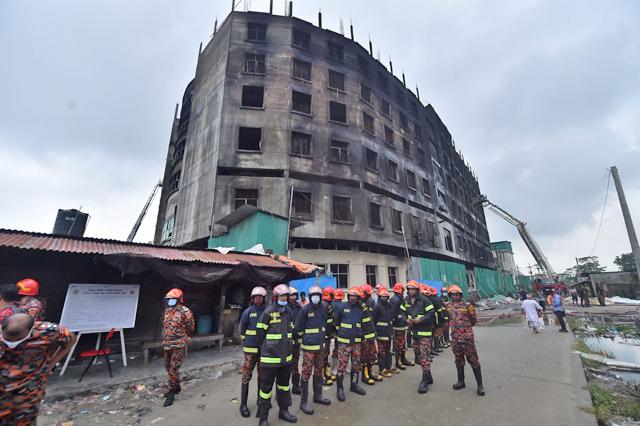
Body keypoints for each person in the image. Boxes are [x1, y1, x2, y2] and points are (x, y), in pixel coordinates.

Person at [0, 313, 77, 424]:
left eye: (17, 339)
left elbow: (71, 339)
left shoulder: (48, 331)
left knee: (25, 421)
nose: (11, 343)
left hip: (28, 392)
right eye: (7, 338)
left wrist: (51, 364)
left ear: (30, 331)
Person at [255, 284, 297, 426]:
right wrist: (268, 348)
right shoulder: (268, 312)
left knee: (284, 386)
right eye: (281, 296)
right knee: (266, 389)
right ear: (275, 297)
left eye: (286, 296)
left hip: (286, 358)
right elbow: (260, 333)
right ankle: (263, 418)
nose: (284, 298)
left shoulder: (290, 312)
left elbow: (291, 332)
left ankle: (284, 411)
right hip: (270, 358)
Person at [295, 286, 331, 415]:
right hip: (309, 348)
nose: (315, 297)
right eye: (313, 295)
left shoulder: (324, 308)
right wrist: (304, 339)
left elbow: (326, 323)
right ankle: (303, 402)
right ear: (310, 297)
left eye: (317, 295)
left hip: (320, 347)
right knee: (306, 373)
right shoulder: (304, 310)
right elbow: (298, 327)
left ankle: (318, 396)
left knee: (318, 372)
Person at [446, 285, 485, 396]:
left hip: (467, 338)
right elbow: (448, 319)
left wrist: (465, 329)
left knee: (473, 360)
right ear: (450, 295)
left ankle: (480, 386)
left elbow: (473, 320)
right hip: (455, 338)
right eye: (453, 294)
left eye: (457, 294)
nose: (455, 296)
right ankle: (461, 382)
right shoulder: (447, 306)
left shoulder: (468, 306)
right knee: (458, 360)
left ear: (461, 295)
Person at [162, 288, 195, 407]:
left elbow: (191, 327)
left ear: (179, 299)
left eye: (173, 299)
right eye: (169, 299)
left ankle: (171, 392)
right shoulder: (167, 311)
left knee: (173, 368)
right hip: (167, 344)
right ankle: (176, 387)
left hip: (178, 344)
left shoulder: (185, 311)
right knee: (168, 367)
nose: (170, 301)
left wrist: (183, 337)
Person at [238, 286, 268, 418]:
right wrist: (247, 342)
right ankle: (243, 405)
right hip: (250, 351)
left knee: (262, 377)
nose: (258, 299)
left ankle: (260, 400)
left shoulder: (268, 312)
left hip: (264, 350)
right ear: (252, 298)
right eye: (256, 297)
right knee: (246, 377)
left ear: (264, 298)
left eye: (261, 297)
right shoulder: (247, 312)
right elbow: (242, 330)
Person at [333, 287, 366, 401]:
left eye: (355, 296)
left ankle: (354, 385)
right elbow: (336, 322)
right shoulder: (342, 307)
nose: (352, 298)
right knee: (342, 366)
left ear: (358, 298)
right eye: (351, 296)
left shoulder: (360, 309)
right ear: (348, 297)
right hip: (344, 343)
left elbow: (363, 322)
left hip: (356, 342)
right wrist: (341, 334)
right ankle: (340, 389)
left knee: (356, 365)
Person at [404, 280, 435, 394]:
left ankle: (424, 381)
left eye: (413, 289)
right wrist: (405, 319)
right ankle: (429, 376)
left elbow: (431, 313)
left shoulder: (425, 300)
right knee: (418, 357)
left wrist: (420, 320)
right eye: (409, 289)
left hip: (425, 333)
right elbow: (402, 311)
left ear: (417, 290)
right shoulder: (406, 300)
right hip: (414, 333)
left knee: (424, 356)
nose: (411, 291)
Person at [359, 284, 379, 384]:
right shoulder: (358, 304)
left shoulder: (369, 302)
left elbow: (372, 318)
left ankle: (370, 373)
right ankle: (364, 375)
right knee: (364, 356)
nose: (370, 296)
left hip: (371, 333)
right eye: (369, 294)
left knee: (371, 355)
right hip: (364, 335)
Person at [389, 282, 412, 372]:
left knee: (402, 344)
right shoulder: (395, 300)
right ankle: (398, 362)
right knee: (399, 344)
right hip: (398, 326)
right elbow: (393, 314)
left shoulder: (399, 299)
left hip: (402, 325)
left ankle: (403, 359)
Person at [373, 286, 393, 378]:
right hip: (381, 333)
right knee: (381, 352)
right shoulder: (377, 307)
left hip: (388, 333)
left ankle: (388, 367)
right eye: (383, 297)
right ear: (379, 297)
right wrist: (375, 331)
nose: (384, 298)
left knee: (388, 351)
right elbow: (374, 320)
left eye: (386, 297)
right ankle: (382, 369)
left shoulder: (388, 306)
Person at [288, 287, 302, 395]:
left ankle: (296, 386)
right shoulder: (284, 308)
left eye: (295, 295)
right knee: (284, 365)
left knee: (295, 363)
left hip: (296, 341)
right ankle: (282, 389)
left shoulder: (298, 307)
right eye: (291, 295)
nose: (293, 297)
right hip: (286, 342)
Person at [320, 287, 336, 386]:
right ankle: (322, 376)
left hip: (327, 334)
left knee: (325, 355)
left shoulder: (327, 304)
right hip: (324, 335)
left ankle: (325, 372)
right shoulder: (324, 305)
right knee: (323, 356)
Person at [329, 288, 345, 377]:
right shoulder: (343, 305)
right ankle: (337, 368)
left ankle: (333, 369)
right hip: (342, 331)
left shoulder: (332, 304)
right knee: (342, 349)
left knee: (337, 349)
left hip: (335, 330)